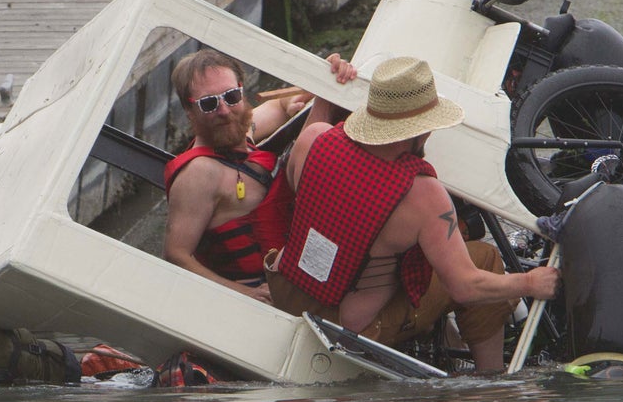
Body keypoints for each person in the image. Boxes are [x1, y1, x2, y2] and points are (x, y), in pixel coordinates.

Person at [265, 56, 561, 373]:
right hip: (347, 326)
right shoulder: (424, 196)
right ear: (418, 130)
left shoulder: (315, 138)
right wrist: (530, 282)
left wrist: (324, 92)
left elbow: (306, 188)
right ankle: (493, 379)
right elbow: (465, 286)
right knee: (483, 260)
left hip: (287, 292)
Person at [163, 47, 356, 304]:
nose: (223, 110)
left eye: (231, 96)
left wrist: (312, 87)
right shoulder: (199, 174)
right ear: (190, 112)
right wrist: (243, 294)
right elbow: (176, 255)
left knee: (322, 123)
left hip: (300, 270)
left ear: (241, 92)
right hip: (269, 294)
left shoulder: (241, 132)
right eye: (208, 104)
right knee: (317, 135)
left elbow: (278, 104)